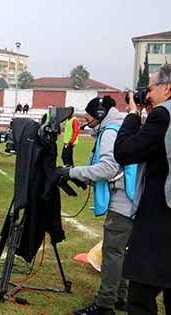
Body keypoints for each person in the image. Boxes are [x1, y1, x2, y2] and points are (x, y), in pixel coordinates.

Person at [59, 96, 134, 315]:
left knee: (112, 253)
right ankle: (120, 297)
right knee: (120, 252)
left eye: (88, 115)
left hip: (122, 201)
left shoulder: (110, 132)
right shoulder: (115, 128)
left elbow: (108, 169)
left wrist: (71, 172)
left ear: (100, 114)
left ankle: (104, 305)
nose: (85, 119)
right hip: (127, 199)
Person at [114, 64, 171, 315]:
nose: (146, 94)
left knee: (140, 297)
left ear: (167, 88)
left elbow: (125, 152)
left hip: (161, 217)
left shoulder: (162, 116)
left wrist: (133, 114)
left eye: (149, 88)